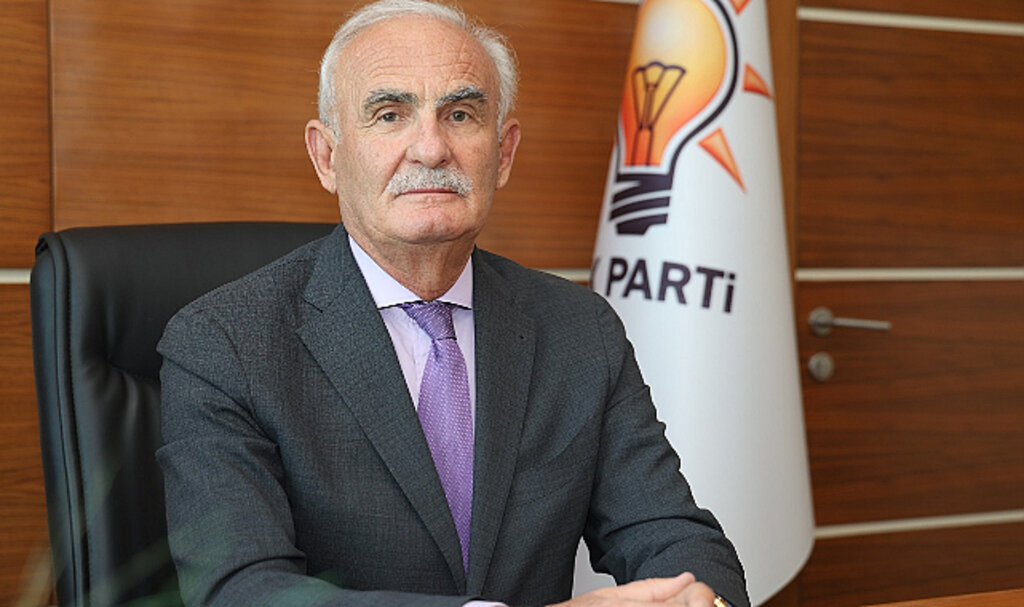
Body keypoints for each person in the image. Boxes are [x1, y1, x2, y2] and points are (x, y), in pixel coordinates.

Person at [156, 1, 749, 606]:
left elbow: (672, 535)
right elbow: (242, 590)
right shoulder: (226, 343)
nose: (431, 148)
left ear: (504, 152)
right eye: (390, 114)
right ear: (327, 156)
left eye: (460, 114)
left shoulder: (578, 329)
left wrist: (697, 599)